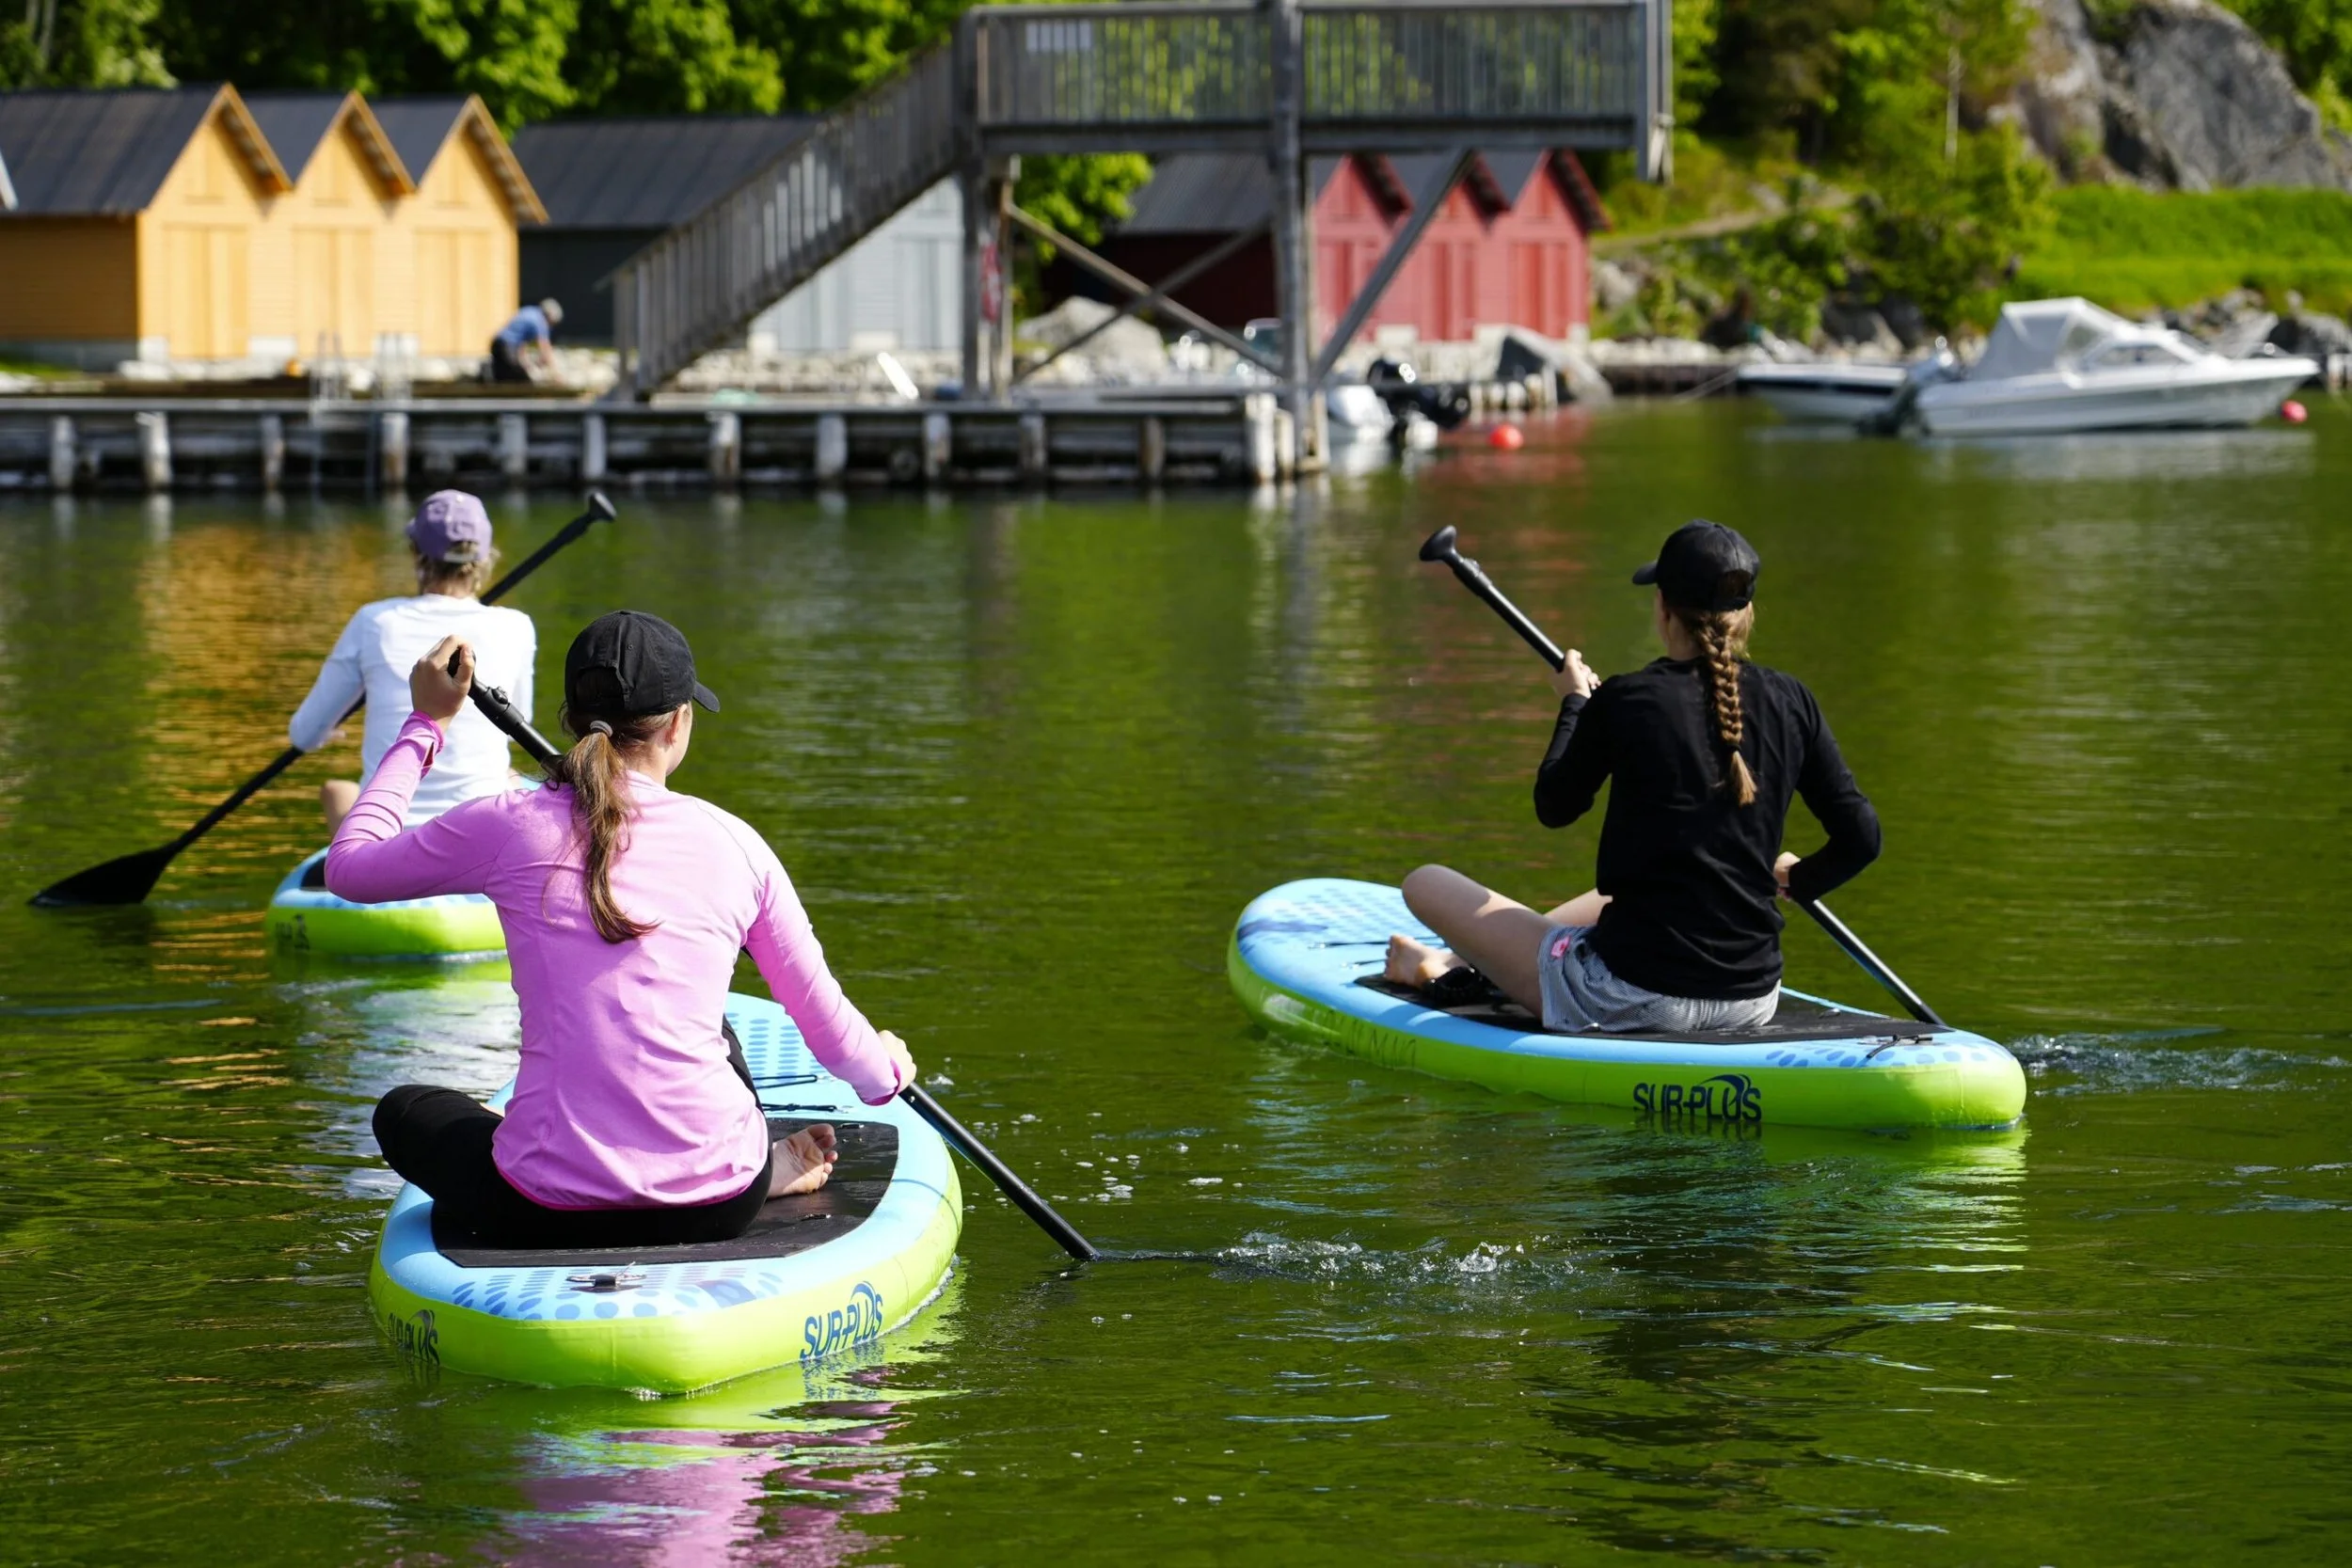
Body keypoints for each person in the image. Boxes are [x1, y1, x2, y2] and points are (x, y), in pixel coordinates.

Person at [332, 610, 915, 1247]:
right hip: (719, 1202)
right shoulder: (738, 844)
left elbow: (349, 867)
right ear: (678, 723)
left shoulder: (505, 822)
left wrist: (426, 725)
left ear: (571, 720)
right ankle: (762, 1164)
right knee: (712, 1024)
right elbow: (830, 1032)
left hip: (539, 1208)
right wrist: (884, 1072)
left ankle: (573, 1141)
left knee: (404, 1111)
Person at [1385, 520, 1882, 1035]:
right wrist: (1798, 881)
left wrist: (1575, 705)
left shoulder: (1627, 698)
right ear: (1746, 612)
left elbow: (1554, 807)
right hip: (1752, 1000)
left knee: (1425, 884)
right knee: (1610, 900)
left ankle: (1437, 969)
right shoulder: (1792, 699)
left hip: (1625, 998)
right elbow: (1862, 839)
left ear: (1663, 607)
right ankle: (1458, 963)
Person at [289, 490, 535, 834]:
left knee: (338, 792)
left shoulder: (374, 621)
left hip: (389, 835)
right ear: (484, 559)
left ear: (416, 553)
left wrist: (323, 733)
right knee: (514, 778)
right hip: (481, 833)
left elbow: (303, 734)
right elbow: (517, 722)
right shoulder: (517, 626)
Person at [487, 298, 562, 383]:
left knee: (503, 377)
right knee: (522, 380)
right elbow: (545, 348)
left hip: (497, 343)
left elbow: (521, 344)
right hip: (506, 346)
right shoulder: (540, 321)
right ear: (549, 317)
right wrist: (555, 373)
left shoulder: (529, 311)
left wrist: (526, 363)